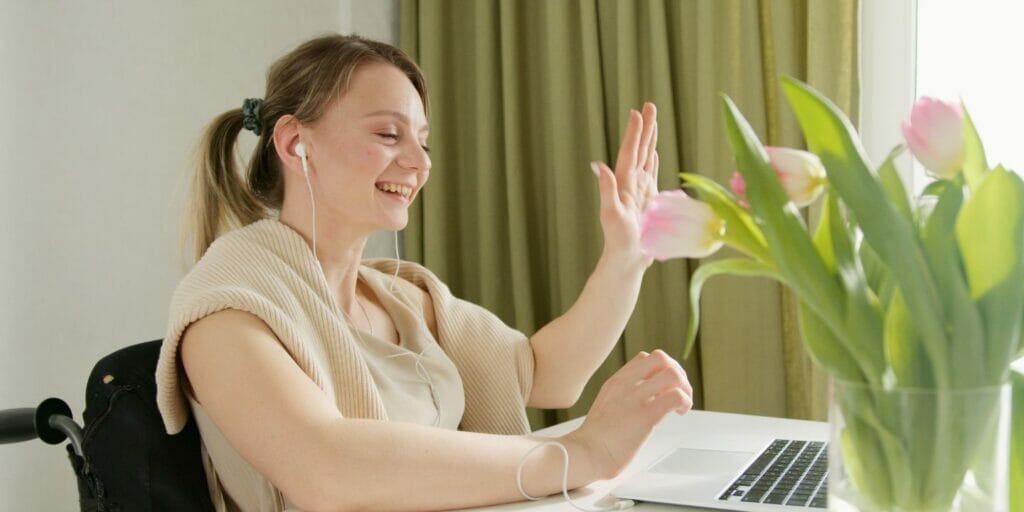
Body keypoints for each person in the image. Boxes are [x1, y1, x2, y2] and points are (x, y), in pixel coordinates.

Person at [155, 33, 693, 512]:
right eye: (389, 135)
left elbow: (545, 374)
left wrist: (628, 254)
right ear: (297, 143)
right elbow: (328, 471)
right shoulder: (224, 307)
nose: (420, 161)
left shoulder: (400, 297)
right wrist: (581, 453)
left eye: (422, 140)